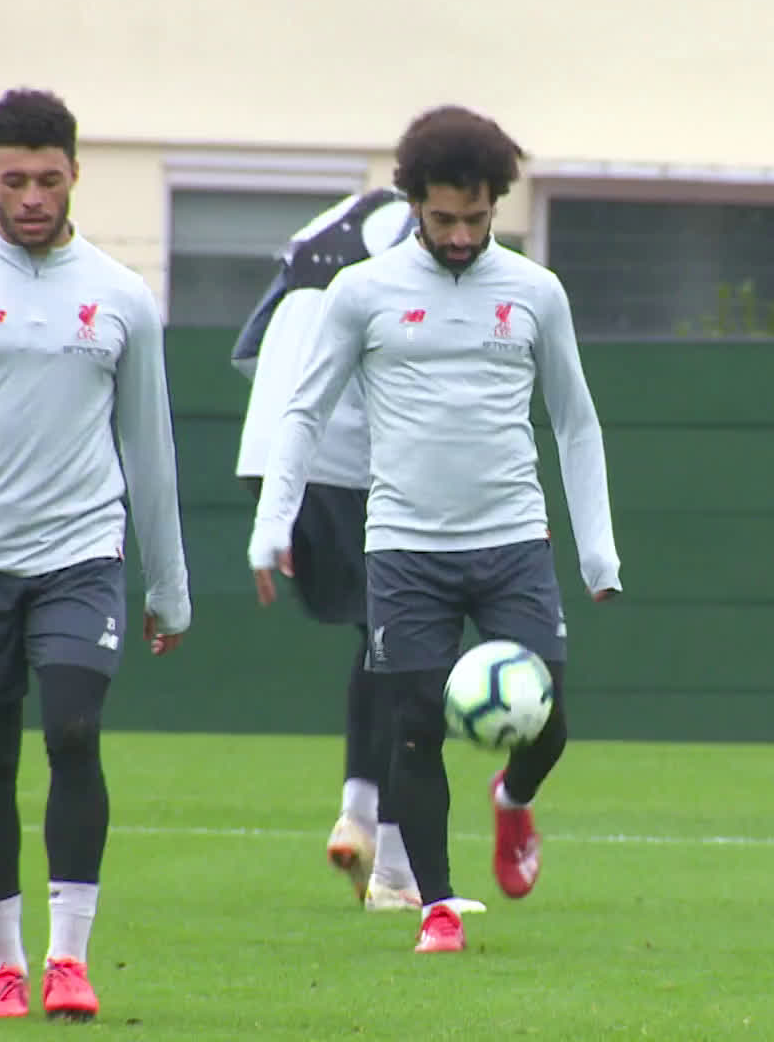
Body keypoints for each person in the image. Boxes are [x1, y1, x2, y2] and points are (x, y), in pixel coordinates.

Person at [247, 105, 622, 954]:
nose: (460, 236)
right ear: (413, 202)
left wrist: (597, 548)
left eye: (476, 218)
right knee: (413, 727)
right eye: (444, 218)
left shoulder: (535, 292)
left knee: (549, 719)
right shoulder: (362, 292)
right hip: (406, 549)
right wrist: (273, 521)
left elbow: (576, 422)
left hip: (513, 542)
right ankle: (437, 907)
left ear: (497, 206)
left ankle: (512, 800)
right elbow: (303, 413)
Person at [0, 87, 192, 1022]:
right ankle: (2, 965)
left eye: (48, 180)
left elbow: (150, 446)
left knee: (74, 732)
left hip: (81, 554)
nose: (31, 198)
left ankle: (69, 959)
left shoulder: (121, 295)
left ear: (75, 175)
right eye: (14, 180)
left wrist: (169, 585)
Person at [231, 187, 430, 911]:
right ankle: (395, 869)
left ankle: (360, 813)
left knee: (382, 639)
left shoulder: (327, 224)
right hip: (345, 459)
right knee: (414, 647)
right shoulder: (417, 234)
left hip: (271, 452)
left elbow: (248, 350)